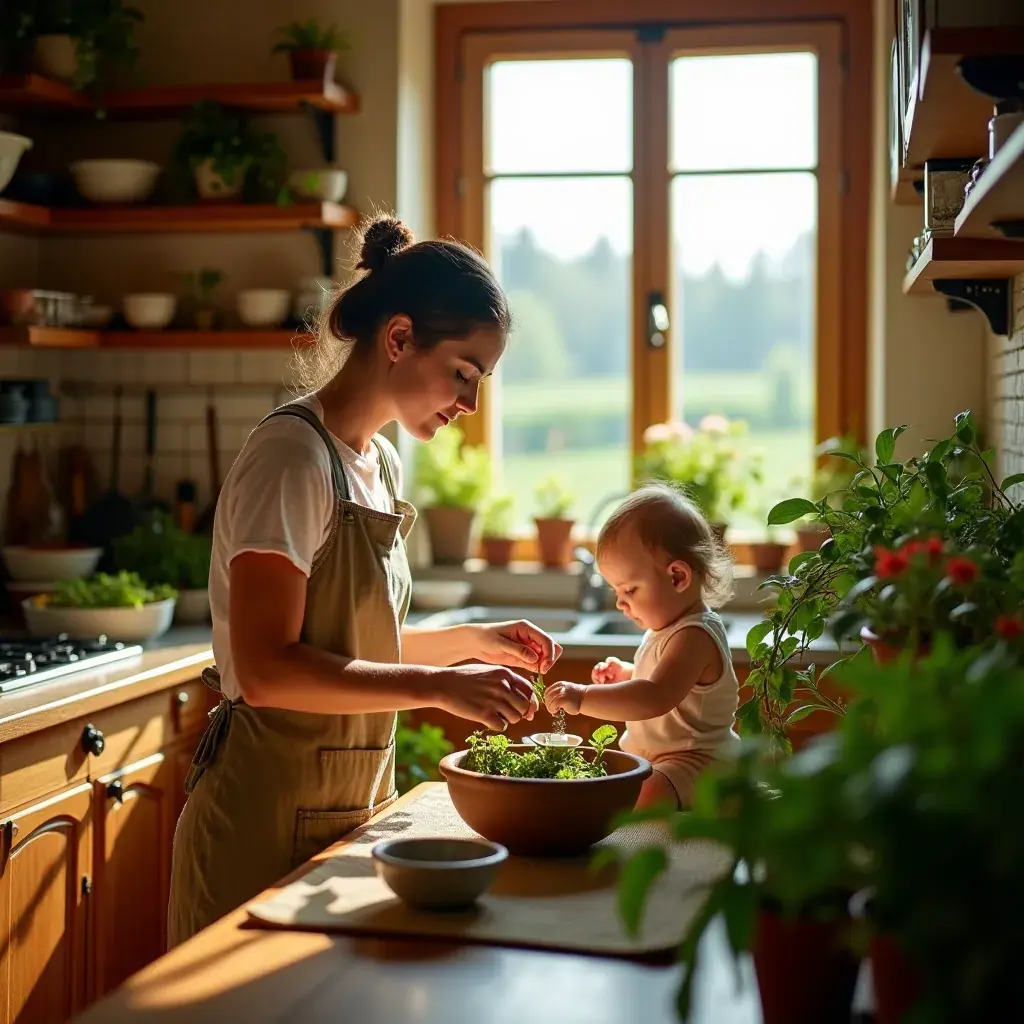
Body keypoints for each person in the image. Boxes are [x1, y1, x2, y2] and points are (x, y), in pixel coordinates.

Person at [167, 216, 561, 947]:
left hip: (347, 813)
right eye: (464, 374)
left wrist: (472, 644)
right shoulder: (291, 457)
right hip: (257, 821)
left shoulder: (377, 465)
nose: (470, 406)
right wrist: (438, 688)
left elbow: (349, 640)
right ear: (400, 338)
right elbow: (265, 670)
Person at [544, 484, 739, 810]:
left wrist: (581, 697)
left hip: (699, 762)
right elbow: (666, 683)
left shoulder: (695, 636)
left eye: (629, 589)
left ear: (677, 577)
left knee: (645, 794)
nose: (620, 602)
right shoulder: (665, 628)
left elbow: (655, 696)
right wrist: (627, 674)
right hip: (661, 759)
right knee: (618, 784)